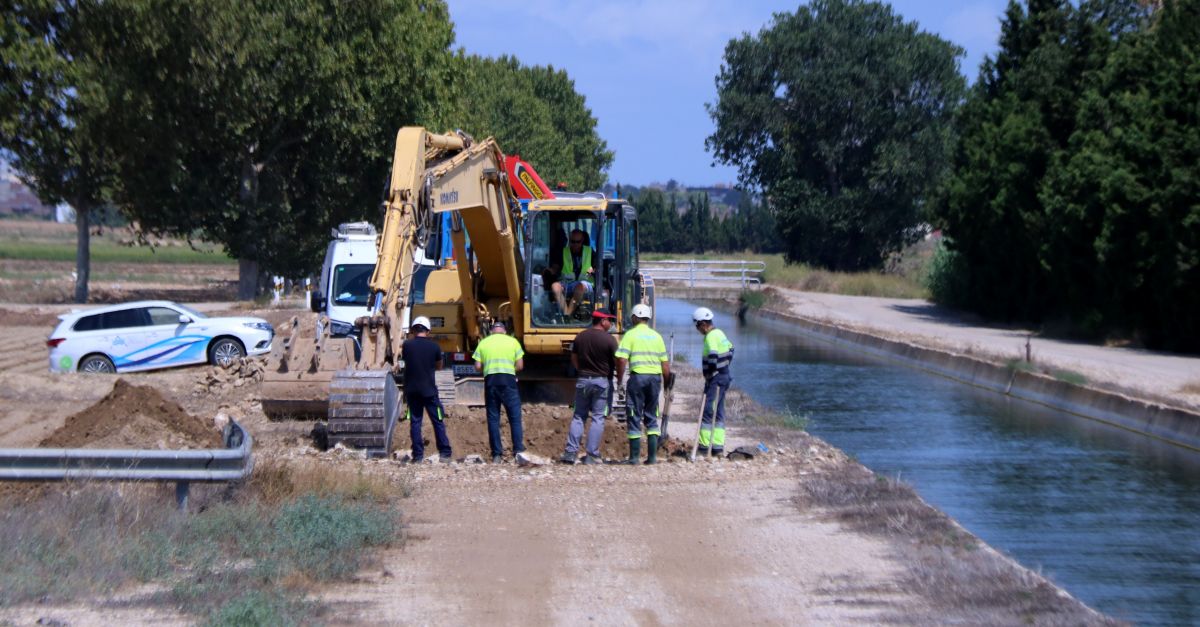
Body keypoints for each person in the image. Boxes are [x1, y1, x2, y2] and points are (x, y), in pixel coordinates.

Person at [614, 303, 670, 464]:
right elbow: (665, 365)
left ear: (634, 317)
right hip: (655, 379)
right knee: (651, 417)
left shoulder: (630, 335)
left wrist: (619, 380)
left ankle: (634, 458)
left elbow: (622, 359)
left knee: (633, 415)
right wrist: (666, 385)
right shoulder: (657, 336)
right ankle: (652, 458)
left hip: (638, 377)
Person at [560, 311, 618, 465]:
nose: (611, 324)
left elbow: (573, 357)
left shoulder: (581, 336)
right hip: (601, 381)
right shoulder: (609, 339)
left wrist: (581, 370)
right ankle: (591, 454)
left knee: (579, 416)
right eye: (610, 321)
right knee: (598, 417)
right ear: (603, 320)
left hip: (583, 380)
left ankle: (570, 452)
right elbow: (617, 360)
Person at [473, 320, 525, 463]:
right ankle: (518, 452)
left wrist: (488, 368)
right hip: (508, 381)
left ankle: (497, 455)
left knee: (493, 419)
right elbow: (520, 365)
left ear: (491, 331)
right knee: (514, 418)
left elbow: (477, 366)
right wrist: (509, 370)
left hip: (491, 382)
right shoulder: (513, 342)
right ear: (504, 331)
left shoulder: (483, 343)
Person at [401, 316, 452, 462]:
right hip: (429, 391)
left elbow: (406, 361)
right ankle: (445, 453)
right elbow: (439, 366)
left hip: (411, 391)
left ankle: (418, 456)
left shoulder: (407, 345)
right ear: (428, 331)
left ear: (413, 330)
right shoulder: (434, 347)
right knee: (438, 420)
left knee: (415, 422)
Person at [693, 307, 734, 456]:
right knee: (719, 412)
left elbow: (713, 357)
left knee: (708, 411)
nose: (697, 329)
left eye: (697, 326)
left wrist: (711, 374)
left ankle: (704, 448)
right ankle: (717, 447)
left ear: (703, 324)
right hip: (724, 376)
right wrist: (725, 367)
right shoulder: (720, 333)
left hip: (716, 379)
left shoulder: (710, 337)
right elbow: (731, 349)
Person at [550, 228, 595, 317]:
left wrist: (592, 270)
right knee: (555, 287)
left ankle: (568, 315)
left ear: (582, 241)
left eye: (578, 242)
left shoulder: (590, 252)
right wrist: (551, 271)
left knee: (580, 287)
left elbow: (597, 266)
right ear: (569, 241)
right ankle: (566, 313)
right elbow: (556, 266)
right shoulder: (563, 252)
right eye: (572, 242)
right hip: (567, 283)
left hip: (585, 283)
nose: (575, 244)